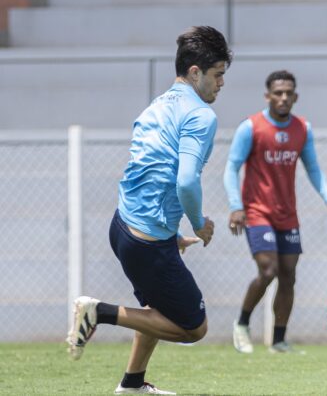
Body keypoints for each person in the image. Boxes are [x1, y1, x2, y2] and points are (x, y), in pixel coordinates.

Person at [65, 26, 232, 395]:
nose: (222, 83)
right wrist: (200, 223)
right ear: (194, 72)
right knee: (193, 327)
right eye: (218, 75)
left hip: (124, 225)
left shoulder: (157, 105)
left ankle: (132, 385)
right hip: (146, 240)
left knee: (156, 310)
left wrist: (172, 233)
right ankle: (99, 312)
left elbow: (151, 170)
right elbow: (186, 182)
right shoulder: (200, 116)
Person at [225, 70, 327, 354]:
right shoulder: (251, 127)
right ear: (267, 96)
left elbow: (313, 168)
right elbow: (231, 167)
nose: (283, 97)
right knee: (268, 270)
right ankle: (242, 324)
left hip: (287, 214)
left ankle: (278, 340)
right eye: (277, 93)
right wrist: (235, 206)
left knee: (288, 276)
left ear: (295, 96)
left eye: (288, 93)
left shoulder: (303, 129)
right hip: (256, 212)